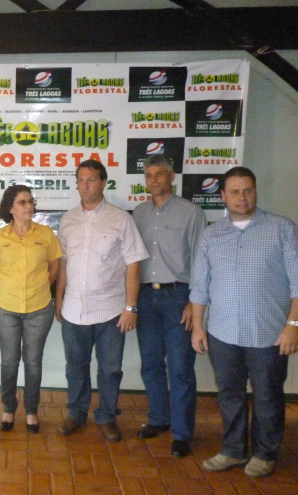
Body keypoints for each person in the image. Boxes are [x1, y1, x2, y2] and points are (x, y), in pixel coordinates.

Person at [191, 166, 298, 477]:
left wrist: (293, 326)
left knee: (267, 396)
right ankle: (233, 450)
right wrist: (198, 325)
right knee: (229, 394)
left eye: (247, 190)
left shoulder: (282, 229)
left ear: (255, 191)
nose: (242, 197)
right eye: (235, 191)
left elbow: (297, 282)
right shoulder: (212, 234)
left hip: (269, 334)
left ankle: (265, 454)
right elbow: (200, 285)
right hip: (222, 333)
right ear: (223, 196)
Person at [55, 160, 148, 442]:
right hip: (73, 310)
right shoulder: (68, 219)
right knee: (76, 366)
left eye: (91, 180)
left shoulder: (121, 219)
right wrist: (58, 300)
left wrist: (131, 307)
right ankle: (76, 413)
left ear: (103, 182)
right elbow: (63, 263)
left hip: (110, 310)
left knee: (110, 369)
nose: (85, 185)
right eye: (81, 180)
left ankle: (107, 416)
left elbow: (134, 265)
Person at [132, 154, 206, 457]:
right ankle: (159, 419)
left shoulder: (191, 212)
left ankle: (182, 432)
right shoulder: (138, 213)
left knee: (180, 369)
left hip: (179, 297)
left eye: (159, 174)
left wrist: (194, 301)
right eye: (149, 175)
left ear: (172, 177)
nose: (154, 180)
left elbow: (203, 261)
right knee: (150, 365)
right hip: (146, 297)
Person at [0, 185, 62, 433]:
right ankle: (9, 408)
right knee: (9, 361)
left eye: (30, 201)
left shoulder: (46, 234)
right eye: (21, 202)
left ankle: (31, 411)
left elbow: (54, 267)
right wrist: (11, 290)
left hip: (39, 308)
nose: (28, 206)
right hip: (5, 308)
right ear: (10, 208)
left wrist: (39, 288)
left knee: (33, 362)